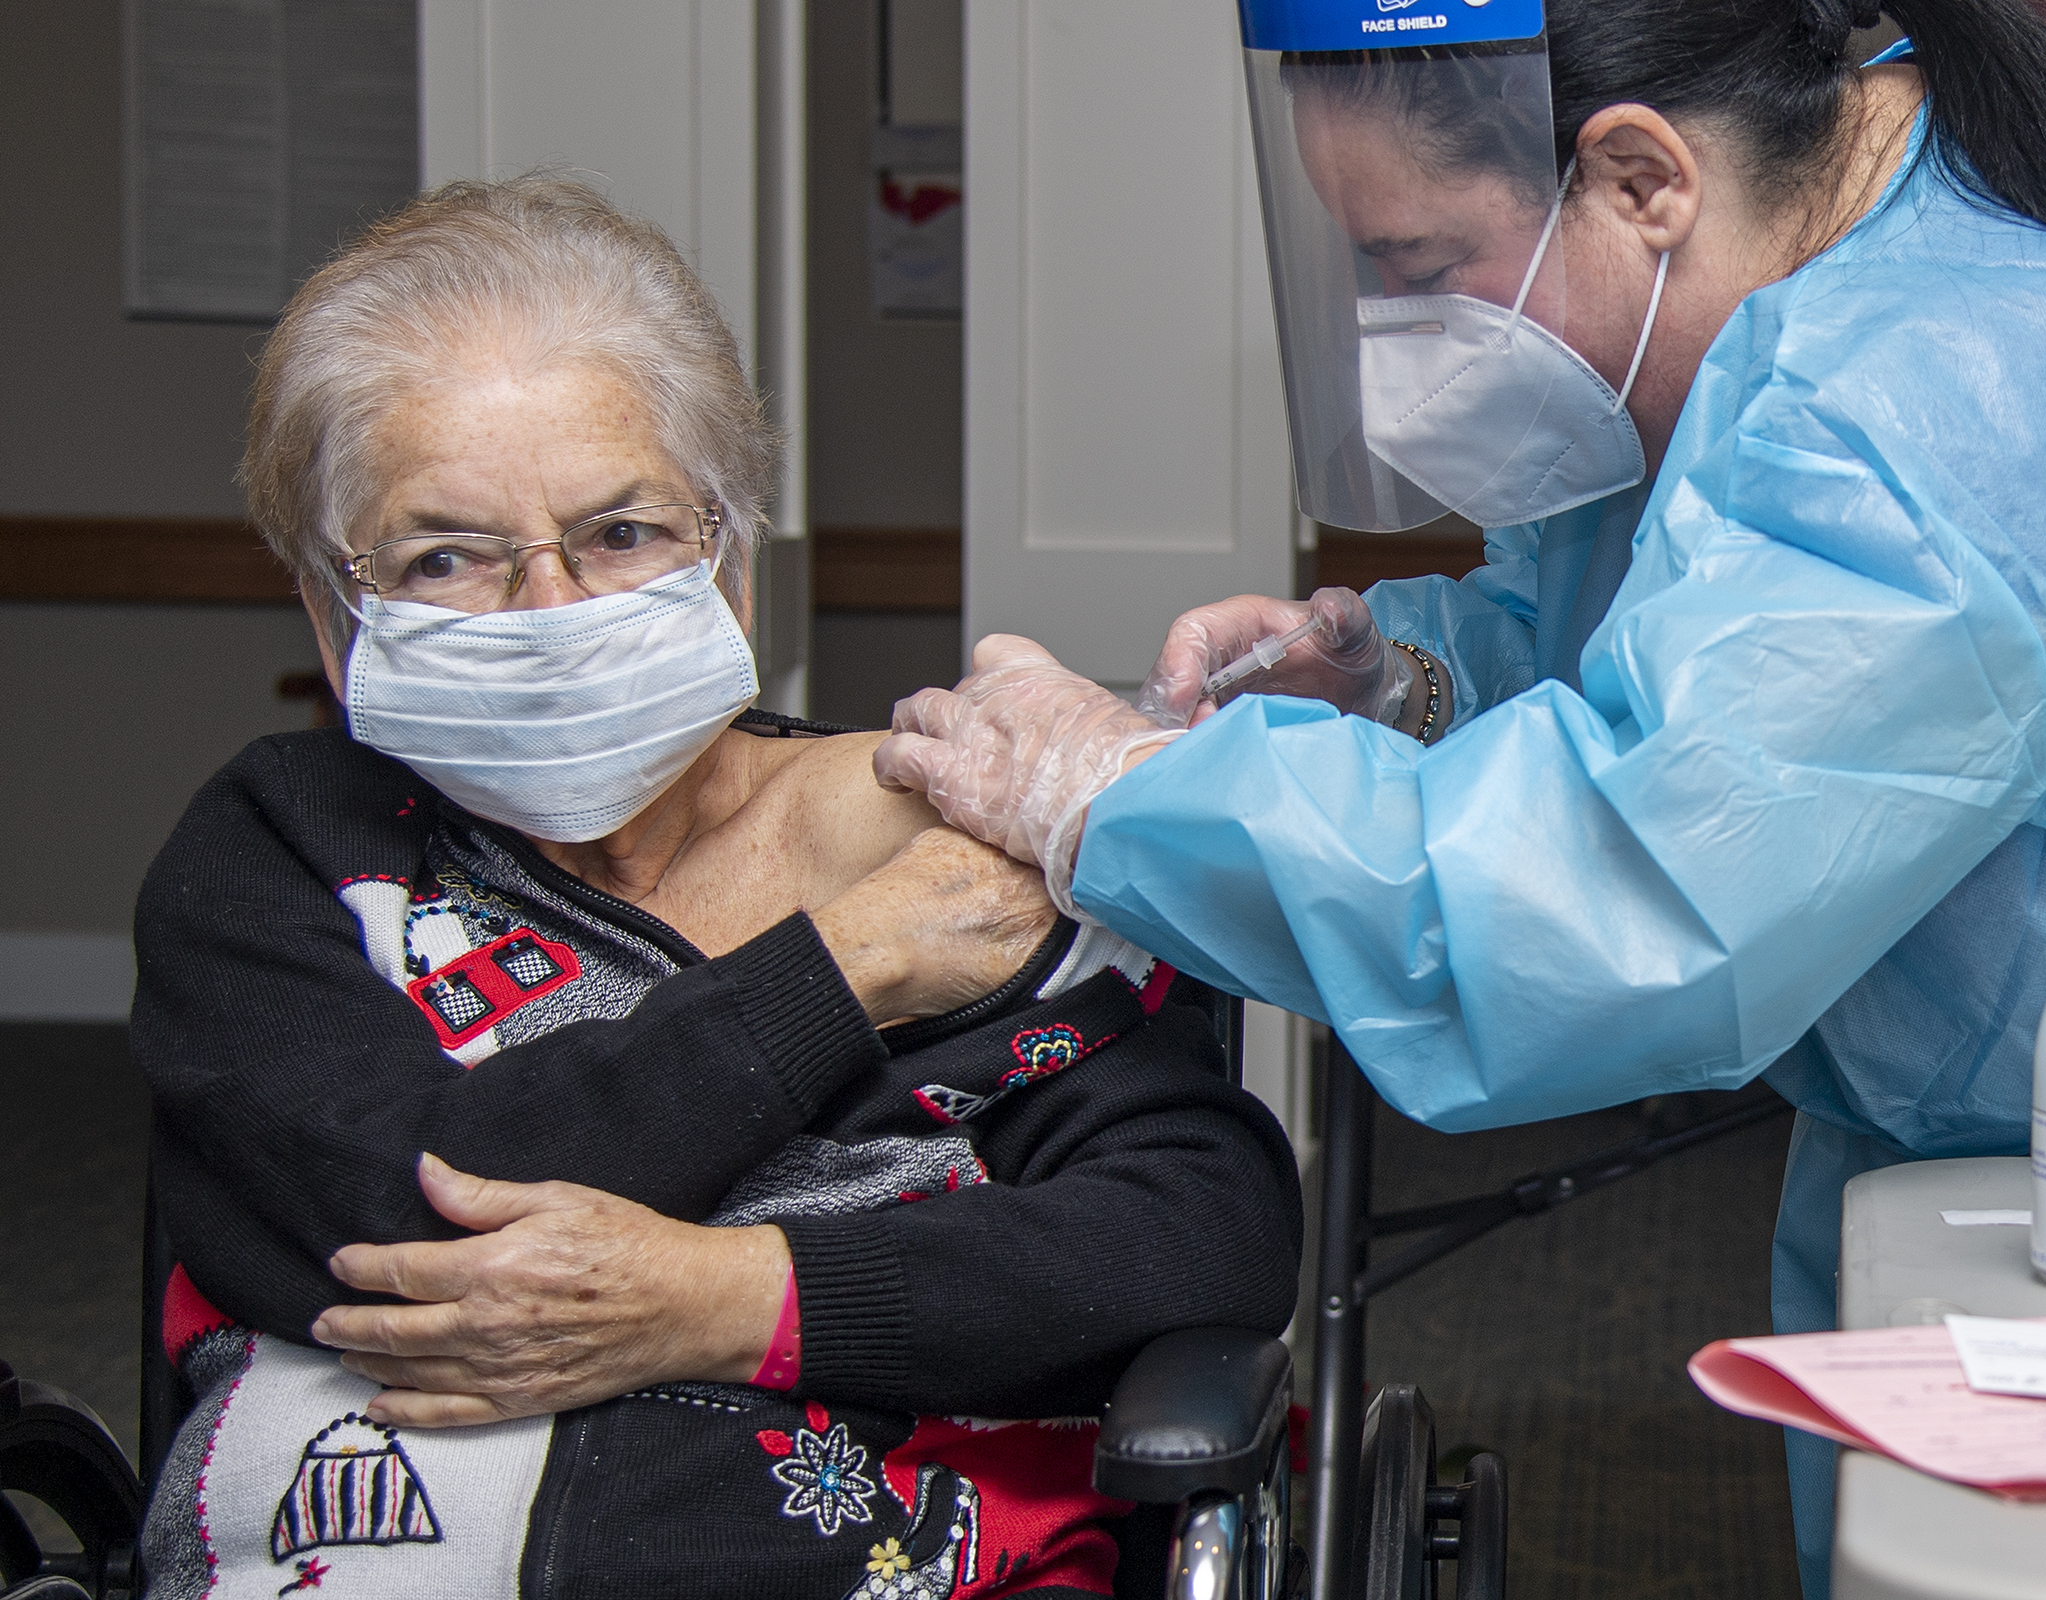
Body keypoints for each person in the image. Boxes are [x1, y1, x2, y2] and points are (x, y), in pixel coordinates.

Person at [871, 1, 2046, 1590]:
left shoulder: (1944, 407)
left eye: (1415, 267)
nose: (1397, 335)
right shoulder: (1942, 185)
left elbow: (1609, 904)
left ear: (1640, 177)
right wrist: (1410, 680)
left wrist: (1105, 789)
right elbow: (1719, 644)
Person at [133, 176, 1302, 1600]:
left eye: (622, 533)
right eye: (448, 557)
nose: (554, 615)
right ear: (338, 614)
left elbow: (1200, 1239)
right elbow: (403, 1219)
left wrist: (731, 1303)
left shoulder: (952, 833)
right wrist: (846, 968)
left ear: (731, 563)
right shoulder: (289, 846)